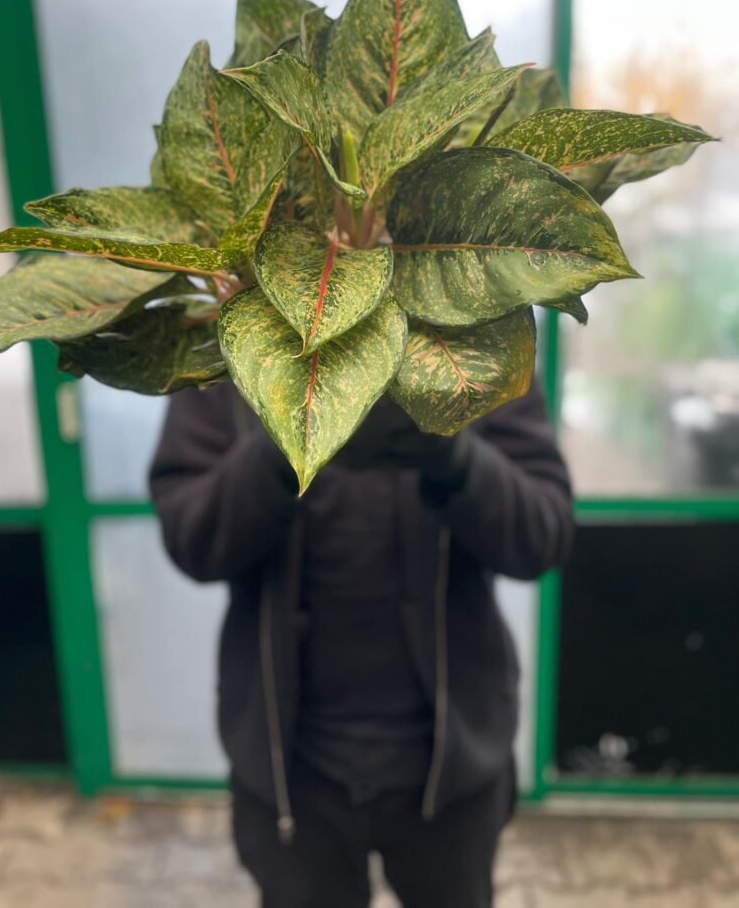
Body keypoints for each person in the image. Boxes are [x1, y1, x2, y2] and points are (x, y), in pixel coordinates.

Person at [149, 376, 574, 908]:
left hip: (452, 769)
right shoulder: (235, 350)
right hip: (293, 774)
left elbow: (544, 534)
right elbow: (192, 538)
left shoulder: (470, 336)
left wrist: (458, 461)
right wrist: (281, 451)